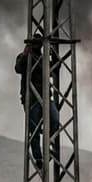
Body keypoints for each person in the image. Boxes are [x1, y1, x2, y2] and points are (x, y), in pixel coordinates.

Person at [15, 38, 61, 169]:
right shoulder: (25, 57)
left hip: (46, 97)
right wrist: (25, 53)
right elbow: (18, 69)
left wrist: (54, 55)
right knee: (34, 130)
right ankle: (38, 157)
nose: (38, 46)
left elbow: (55, 69)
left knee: (54, 120)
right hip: (32, 99)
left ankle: (50, 146)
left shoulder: (43, 59)